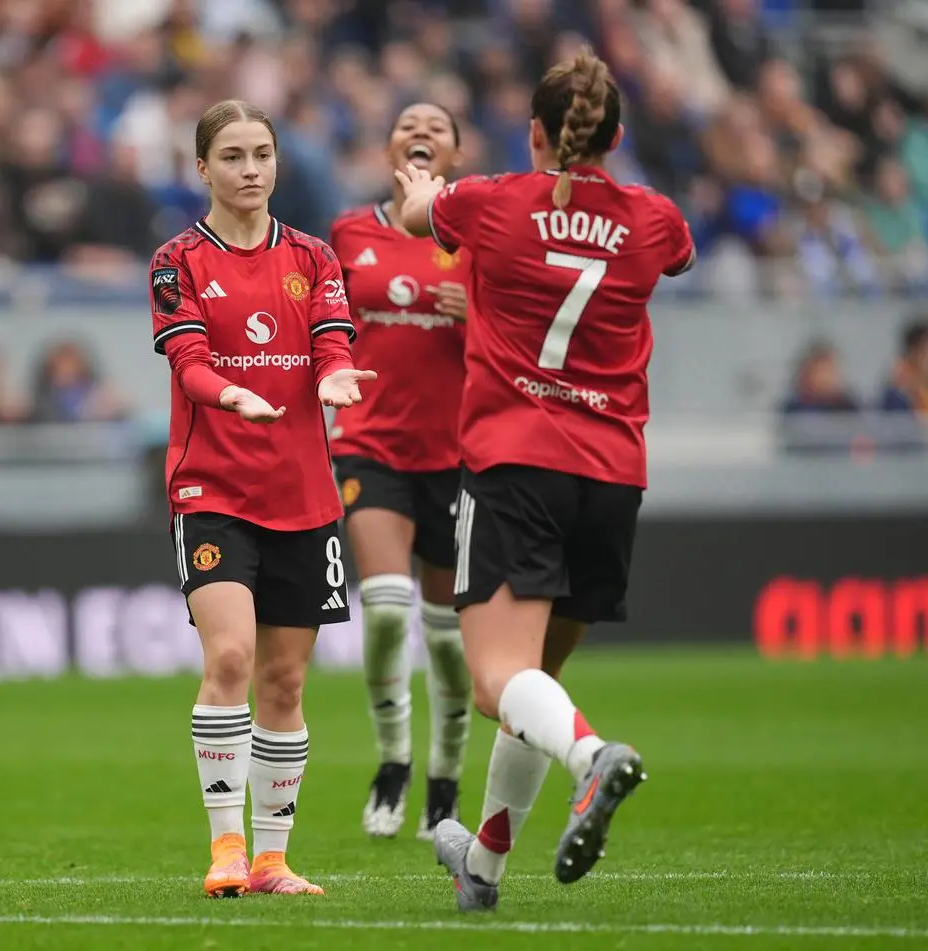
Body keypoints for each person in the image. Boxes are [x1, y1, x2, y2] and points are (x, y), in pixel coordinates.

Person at [395, 46, 695, 911]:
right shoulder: (653, 219)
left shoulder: (490, 202)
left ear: (533, 130)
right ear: (617, 134)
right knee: (535, 687)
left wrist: (420, 177)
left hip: (516, 462)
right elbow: (678, 254)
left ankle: (595, 757)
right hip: (611, 479)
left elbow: (421, 217)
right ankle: (482, 866)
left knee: (497, 683)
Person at [150, 99, 375, 899]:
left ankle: (275, 859)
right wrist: (229, 396)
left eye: (263, 155)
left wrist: (337, 376)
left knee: (285, 681)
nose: (251, 170)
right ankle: (226, 848)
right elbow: (189, 362)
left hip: (304, 493)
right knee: (233, 657)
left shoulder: (313, 257)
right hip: (211, 489)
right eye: (234, 156)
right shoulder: (177, 261)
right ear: (202, 167)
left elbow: (331, 343)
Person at [328, 102, 473, 842]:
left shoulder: (478, 235)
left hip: (455, 454)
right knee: (386, 608)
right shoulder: (351, 232)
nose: (421, 130)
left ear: (455, 151)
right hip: (370, 442)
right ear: (389, 146)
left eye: (438, 125)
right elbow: (322, 324)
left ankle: (445, 781)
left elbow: (527, 334)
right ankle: (394, 762)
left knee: (448, 639)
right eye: (408, 121)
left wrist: (477, 314)